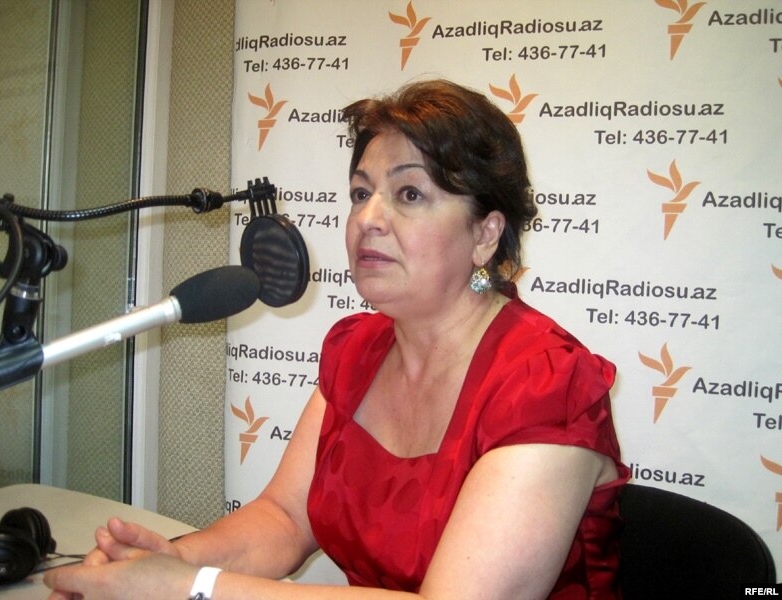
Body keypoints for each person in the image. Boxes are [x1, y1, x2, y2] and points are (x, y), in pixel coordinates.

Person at [45, 79, 629, 600]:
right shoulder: (356, 349)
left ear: (485, 234)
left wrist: (191, 589)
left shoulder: (547, 384)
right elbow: (284, 518)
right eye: (359, 193)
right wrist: (171, 561)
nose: (368, 218)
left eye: (409, 194)